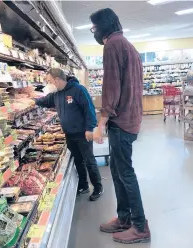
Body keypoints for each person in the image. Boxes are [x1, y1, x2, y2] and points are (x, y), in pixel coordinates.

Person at [90, 8, 151, 244]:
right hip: (130, 118)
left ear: (103, 26)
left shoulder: (113, 45)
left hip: (121, 122)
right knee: (116, 170)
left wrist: (101, 122)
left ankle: (140, 226)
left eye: (94, 27)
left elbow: (112, 87)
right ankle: (124, 217)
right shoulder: (127, 45)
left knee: (125, 173)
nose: (94, 32)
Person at [35, 68, 103, 201]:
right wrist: (32, 100)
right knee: (78, 161)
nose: (48, 84)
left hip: (82, 134)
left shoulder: (78, 90)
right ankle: (84, 185)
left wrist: (90, 129)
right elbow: (44, 101)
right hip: (69, 134)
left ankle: (98, 187)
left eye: (49, 81)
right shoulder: (56, 94)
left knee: (89, 161)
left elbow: (89, 110)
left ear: (56, 80)